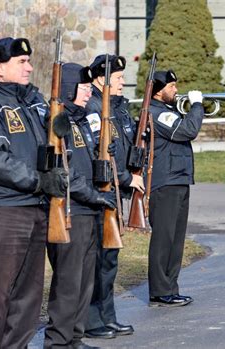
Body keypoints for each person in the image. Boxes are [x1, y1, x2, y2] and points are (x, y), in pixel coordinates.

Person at [0, 37, 67, 348]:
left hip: (37, 207)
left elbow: (53, 140)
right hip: (7, 209)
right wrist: (38, 181)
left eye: (29, 61)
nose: (29, 67)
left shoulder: (33, 101)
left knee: (29, 293)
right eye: (21, 62)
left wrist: (63, 123)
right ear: (0, 68)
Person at [44, 62, 118, 349]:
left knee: (86, 279)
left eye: (89, 87)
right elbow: (64, 170)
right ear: (68, 89)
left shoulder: (83, 119)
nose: (89, 93)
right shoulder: (58, 120)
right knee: (69, 280)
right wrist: (92, 194)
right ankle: (58, 341)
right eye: (84, 87)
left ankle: (74, 337)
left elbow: (87, 161)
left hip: (90, 209)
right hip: (71, 210)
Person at [84, 55, 144, 339]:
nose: (122, 82)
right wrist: (125, 178)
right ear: (101, 79)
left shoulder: (117, 108)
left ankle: (107, 316)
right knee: (99, 260)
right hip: (101, 190)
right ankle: (93, 319)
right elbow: (102, 155)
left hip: (115, 193)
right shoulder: (94, 107)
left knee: (110, 260)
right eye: (118, 77)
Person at [147, 70, 204, 307]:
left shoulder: (167, 111)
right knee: (164, 238)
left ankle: (170, 287)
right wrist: (197, 105)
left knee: (176, 239)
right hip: (166, 181)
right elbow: (186, 130)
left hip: (178, 178)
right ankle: (161, 289)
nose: (176, 90)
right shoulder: (157, 113)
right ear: (159, 91)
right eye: (171, 86)